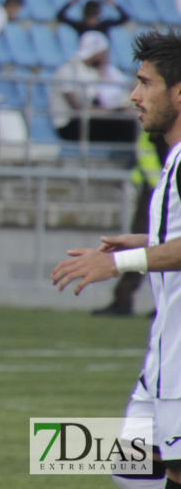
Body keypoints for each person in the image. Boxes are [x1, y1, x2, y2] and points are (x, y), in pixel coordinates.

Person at [51, 31, 181, 489]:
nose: (133, 95)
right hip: (165, 354)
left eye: (146, 83)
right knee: (131, 465)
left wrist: (120, 264)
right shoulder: (173, 156)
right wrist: (149, 241)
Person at [94, 132, 168, 317]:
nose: (136, 101)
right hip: (157, 189)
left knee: (161, 245)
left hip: (158, 189)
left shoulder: (160, 125)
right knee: (153, 243)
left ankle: (129, 301)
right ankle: (130, 300)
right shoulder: (160, 125)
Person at [50, 30, 138, 144]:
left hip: (86, 121)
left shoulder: (92, 72)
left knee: (127, 120)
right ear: (97, 53)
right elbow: (78, 108)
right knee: (125, 124)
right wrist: (115, 110)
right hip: (68, 124)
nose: (106, 57)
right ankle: (128, 156)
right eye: (103, 53)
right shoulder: (67, 71)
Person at [57, 0, 130, 38]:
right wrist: (73, 1)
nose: (91, 21)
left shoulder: (104, 25)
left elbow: (125, 18)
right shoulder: (81, 26)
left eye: (93, 17)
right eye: (89, 17)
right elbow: (60, 16)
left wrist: (113, 4)